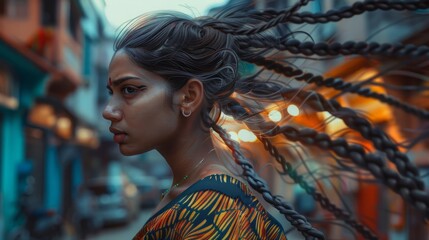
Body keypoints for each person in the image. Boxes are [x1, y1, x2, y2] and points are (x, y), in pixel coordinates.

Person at [102, 1, 429, 239]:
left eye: (130, 90)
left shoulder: (212, 212)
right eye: (111, 92)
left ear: (189, 96)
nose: (109, 109)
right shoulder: (193, 192)